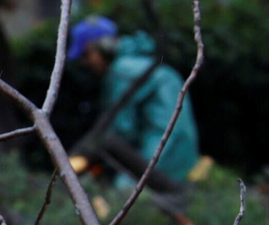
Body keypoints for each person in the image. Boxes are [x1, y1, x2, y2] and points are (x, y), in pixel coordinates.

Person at [68, 16, 199, 189]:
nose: (85, 63)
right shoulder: (142, 64)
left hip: (161, 155)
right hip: (183, 157)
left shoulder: (121, 72)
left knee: (122, 193)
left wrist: (84, 159)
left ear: (104, 48)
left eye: (86, 54)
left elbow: (121, 130)